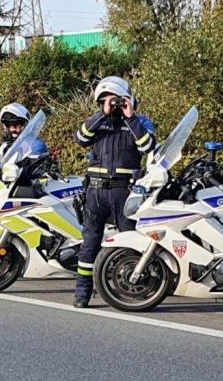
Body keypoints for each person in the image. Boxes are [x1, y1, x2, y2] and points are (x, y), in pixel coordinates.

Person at [73, 76, 157, 308]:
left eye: (117, 100)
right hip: (95, 193)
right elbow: (80, 139)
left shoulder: (140, 122)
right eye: (107, 100)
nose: (113, 104)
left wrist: (130, 117)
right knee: (89, 245)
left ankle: (134, 288)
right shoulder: (97, 123)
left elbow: (148, 146)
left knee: (131, 241)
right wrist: (103, 113)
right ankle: (82, 294)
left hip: (124, 192)